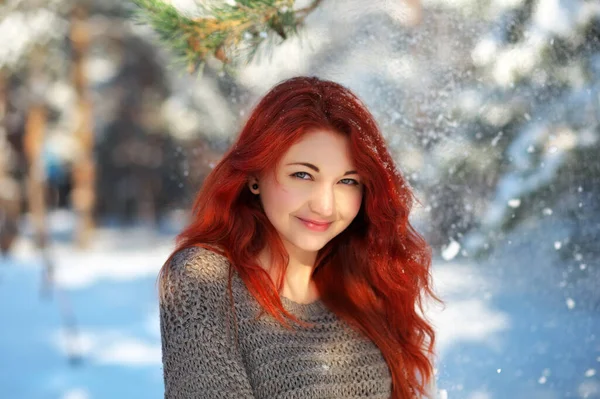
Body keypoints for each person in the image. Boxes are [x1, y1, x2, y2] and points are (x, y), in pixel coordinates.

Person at [158, 76, 441, 398]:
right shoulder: (204, 278)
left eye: (348, 181)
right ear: (254, 175)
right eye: (302, 175)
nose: (324, 205)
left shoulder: (366, 281)